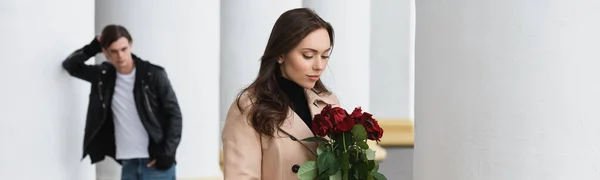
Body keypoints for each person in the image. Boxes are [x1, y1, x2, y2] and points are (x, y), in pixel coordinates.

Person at [221, 8, 340, 179]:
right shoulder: (249, 109)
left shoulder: (328, 103)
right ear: (280, 54)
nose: (319, 65)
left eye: (325, 55)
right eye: (308, 55)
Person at [62, 24, 182, 180]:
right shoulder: (103, 77)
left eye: (124, 49)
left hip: (155, 163)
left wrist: (168, 153)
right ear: (105, 52)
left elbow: (174, 115)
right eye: (114, 51)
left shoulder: (153, 74)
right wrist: (91, 49)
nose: (120, 56)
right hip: (128, 163)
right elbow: (71, 66)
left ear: (130, 45)